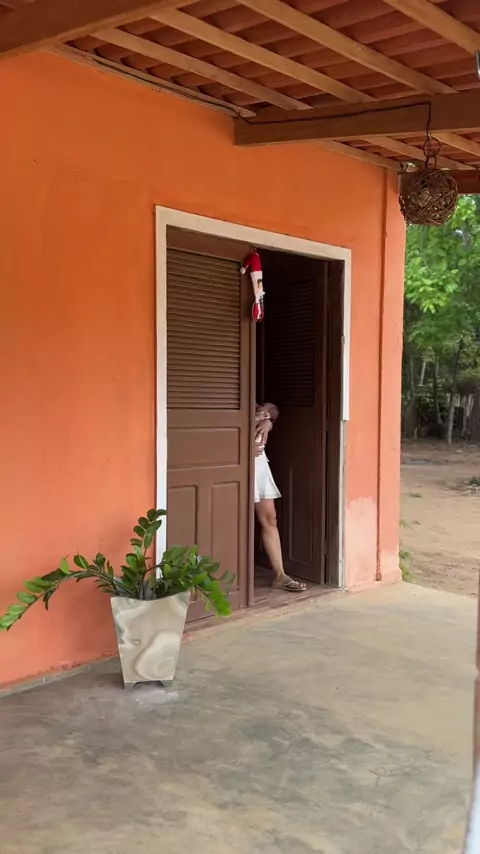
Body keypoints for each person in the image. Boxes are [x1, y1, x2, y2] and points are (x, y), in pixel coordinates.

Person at [254, 403, 307, 592]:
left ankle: (280, 575)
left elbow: (271, 411)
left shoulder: (258, 410)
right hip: (236, 462)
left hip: (258, 465)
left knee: (270, 518)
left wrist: (268, 421)